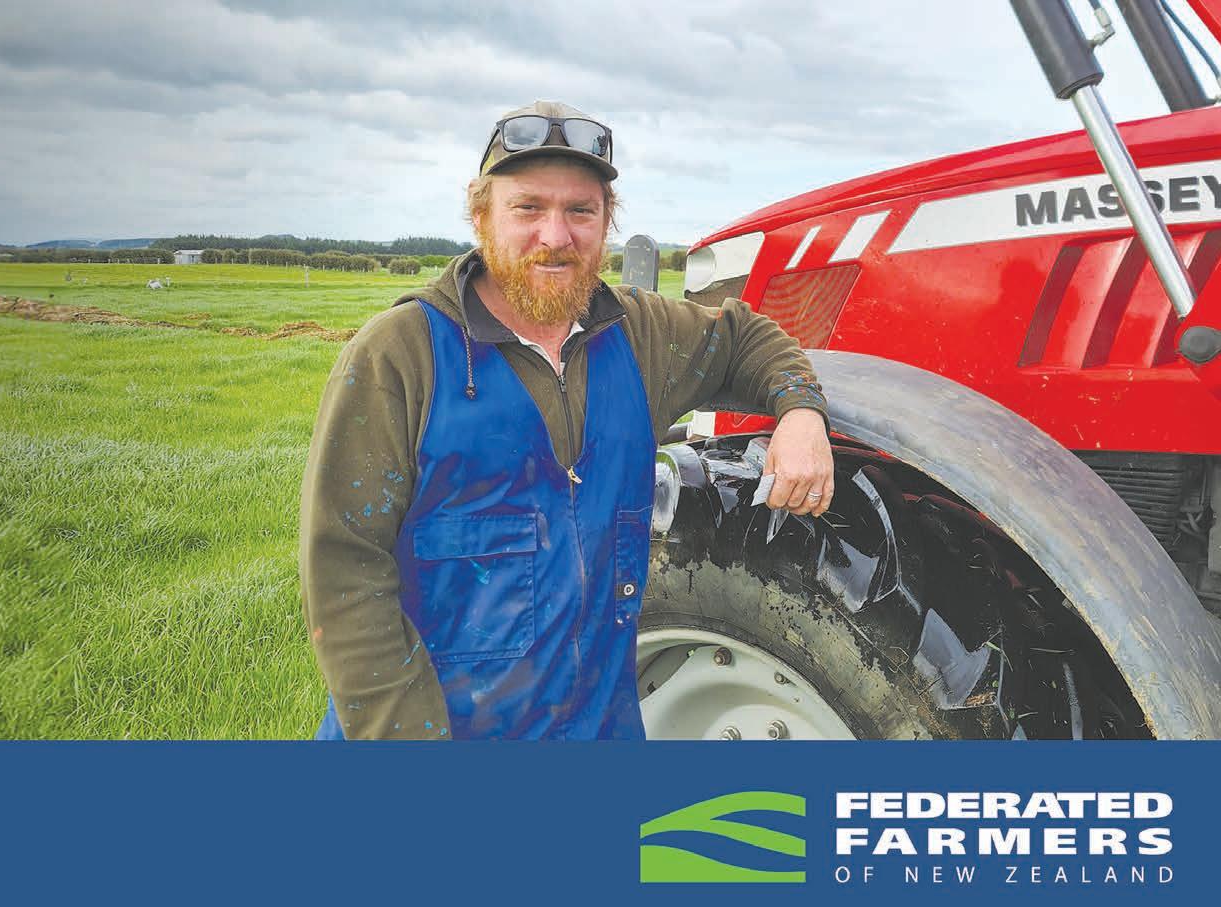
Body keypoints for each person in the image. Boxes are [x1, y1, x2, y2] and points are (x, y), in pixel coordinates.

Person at [300, 101, 835, 740]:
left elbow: (745, 338)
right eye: (528, 208)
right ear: (481, 216)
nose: (555, 236)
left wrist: (801, 411)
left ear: (607, 222)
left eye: (580, 211)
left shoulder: (638, 335)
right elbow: (346, 573)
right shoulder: (401, 355)